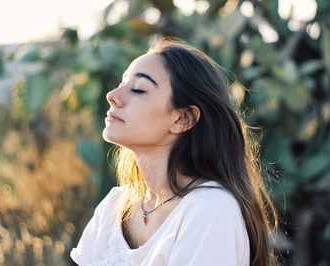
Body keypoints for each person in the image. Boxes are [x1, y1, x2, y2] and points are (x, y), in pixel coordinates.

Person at [70, 38, 277, 266]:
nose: (113, 95)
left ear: (182, 118)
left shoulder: (210, 210)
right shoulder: (114, 205)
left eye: (138, 89)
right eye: (122, 83)